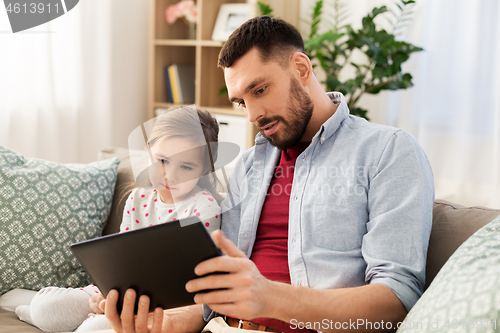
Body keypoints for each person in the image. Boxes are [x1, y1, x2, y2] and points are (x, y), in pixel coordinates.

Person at [104, 16, 434, 333]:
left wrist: (273, 298)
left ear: (301, 68)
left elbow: (396, 302)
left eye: (259, 90)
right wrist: (167, 325)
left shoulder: (387, 150)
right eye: (241, 102)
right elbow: (214, 289)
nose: (252, 115)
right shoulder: (248, 166)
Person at [25, 106, 222, 332]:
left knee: (92, 329)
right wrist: (107, 296)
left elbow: (194, 282)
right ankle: (55, 316)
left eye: (186, 166)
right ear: (149, 152)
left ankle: (88, 323)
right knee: (44, 306)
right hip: (119, 293)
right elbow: (121, 261)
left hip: (162, 307)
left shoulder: (204, 208)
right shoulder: (137, 198)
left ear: (205, 169)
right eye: (162, 161)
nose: (170, 175)